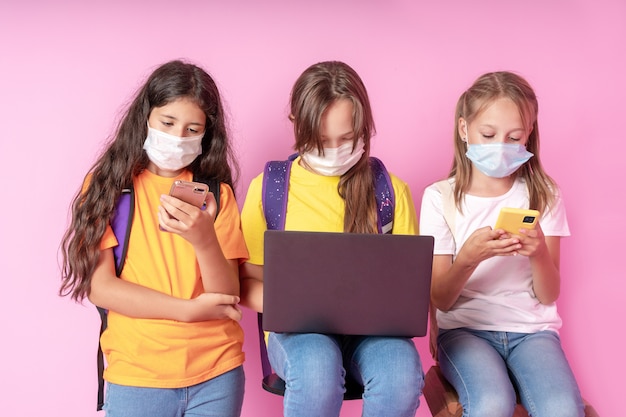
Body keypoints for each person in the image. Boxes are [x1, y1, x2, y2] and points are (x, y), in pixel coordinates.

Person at [59, 60, 248, 417]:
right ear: (146, 116)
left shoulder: (216, 195)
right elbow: (102, 288)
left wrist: (204, 239)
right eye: (168, 123)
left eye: (192, 128)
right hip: (138, 374)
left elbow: (227, 293)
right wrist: (188, 312)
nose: (178, 138)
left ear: (206, 134)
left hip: (218, 373)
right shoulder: (109, 189)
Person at [239, 60, 424, 417]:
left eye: (348, 138)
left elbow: (409, 289)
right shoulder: (271, 189)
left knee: (400, 377)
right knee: (316, 373)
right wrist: (301, 303)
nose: (335, 150)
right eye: (321, 141)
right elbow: (246, 280)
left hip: (373, 333)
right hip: (296, 332)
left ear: (364, 128)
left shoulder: (389, 191)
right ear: (297, 125)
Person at [419, 71, 584, 417]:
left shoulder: (544, 193)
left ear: (528, 136)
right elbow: (441, 298)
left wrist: (538, 253)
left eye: (514, 137)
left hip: (532, 332)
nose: (500, 147)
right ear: (464, 130)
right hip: (466, 330)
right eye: (488, 135)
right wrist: (468, 258)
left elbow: (549, 294)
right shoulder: (441, 197)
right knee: (492, 403)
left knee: (563, 408)